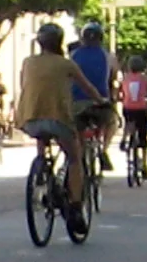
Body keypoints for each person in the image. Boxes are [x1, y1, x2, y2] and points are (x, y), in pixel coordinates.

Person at [14, 24, 104, 220]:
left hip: (29, 119)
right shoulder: (66, 64)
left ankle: (41, 170)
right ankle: (75, 206)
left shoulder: (28, 62)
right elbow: (88, 87)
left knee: (41, 133)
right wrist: (101, 101)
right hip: (58, 120)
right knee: (74, 157)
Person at [69, 20, 115, 170]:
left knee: (76, 128)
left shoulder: (74, 55)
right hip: (99, 101)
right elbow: (113, 77)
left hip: (76, 102)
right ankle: (103, 149)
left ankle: (79, 153)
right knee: (111, 122)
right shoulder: (109, 57)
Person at [116, 53, 147, 171]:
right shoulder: (146, 79)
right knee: (143, 135)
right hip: (141, 109)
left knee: (128, 121)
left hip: (127, 108)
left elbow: (119, 93)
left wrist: (119, 98)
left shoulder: (125, 79)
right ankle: (144, 165)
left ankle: (124, 139)